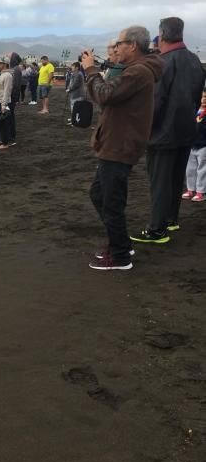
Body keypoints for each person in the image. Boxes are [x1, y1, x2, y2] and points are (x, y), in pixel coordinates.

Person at [81, 25, 164, 271]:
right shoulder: (138, 71)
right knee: (100, 195)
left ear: (133, 45)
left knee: (111, 201)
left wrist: (91, 70)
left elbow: (105, 94)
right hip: (118, 143)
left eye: (119, 44)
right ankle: (122, 244)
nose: (116, 48)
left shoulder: (138, 72)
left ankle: (120, 257)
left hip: (120, 144)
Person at [131, 17, 206, 244]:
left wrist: (142, 129)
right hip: (187, 130)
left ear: (162, 35)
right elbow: (194, 98)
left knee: (160, 181)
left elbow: (156, 100)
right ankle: (170, 219)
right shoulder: (195, 61)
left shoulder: (162, 62)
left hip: (163, 133)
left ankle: (156, 229)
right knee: (174, 179)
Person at [182, 92, 206, 202]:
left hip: (203, 145)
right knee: (190, 169)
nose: (204, 99)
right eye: (202, 97)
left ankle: (201, 191)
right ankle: (190, 189)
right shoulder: (194, 110)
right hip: (191, 144)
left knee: (202, 169)